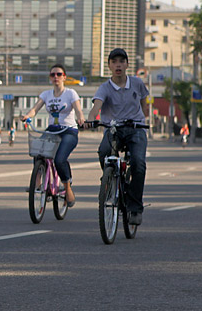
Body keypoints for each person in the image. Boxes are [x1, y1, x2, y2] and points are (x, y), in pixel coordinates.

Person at [84, 48, 149, 225]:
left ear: (127, 64)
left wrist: (144, 119)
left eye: (121, 61)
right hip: (114, 129)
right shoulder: (105, 87)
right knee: (103, 152)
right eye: (114, 62)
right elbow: (96, 107)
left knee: (138, 163)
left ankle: (135, 207)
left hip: (136, 129)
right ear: (109, 66)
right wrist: (90, 120)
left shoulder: (137, 83)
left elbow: (144, 103)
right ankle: (110, 179)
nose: (118, 65)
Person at [23, 64, 85, 207]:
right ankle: (37, 184)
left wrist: (81, 118)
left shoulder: (70, 93)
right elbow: (35, 109)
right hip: (52, 129)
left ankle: (67, 187)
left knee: (59, 160)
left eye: (58, 74)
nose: (55, 77)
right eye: (53, 75)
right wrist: (27, 116)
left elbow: (78, 109)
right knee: (38, 152)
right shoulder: (46, 94)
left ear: (64, 77)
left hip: (69, 130)